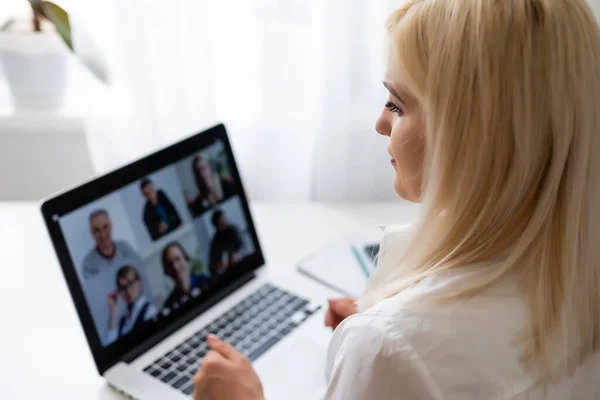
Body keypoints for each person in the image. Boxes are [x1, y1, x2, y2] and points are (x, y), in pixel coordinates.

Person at [192, 1, 600, 399]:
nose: (380, 122)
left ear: (470, 137)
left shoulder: (392, 351)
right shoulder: (582, 273)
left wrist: (381, 351)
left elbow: (414, 356)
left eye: (397, 103)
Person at [81, 209, 142, 280]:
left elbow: (139, 271)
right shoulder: (88, 264)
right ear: (92, 233)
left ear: (111, 227)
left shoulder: (125, 247)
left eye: (105, 227)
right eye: (97, 230)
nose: (102, 235)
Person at [106, 265, 158, 344]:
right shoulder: (123, 321)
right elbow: (110, 346)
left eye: (130, 283)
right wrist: (113, 311)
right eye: (123, 288)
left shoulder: (150, 311)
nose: (128, 290)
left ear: (139, 282)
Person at [161, 242, 210, 309]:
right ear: (166, 271)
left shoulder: (207, 282)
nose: (175, 267)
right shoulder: (170, 305)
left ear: (187, 260)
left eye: (177, 259)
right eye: (169, 264)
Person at [208, 210, 243, 276]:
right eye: (221, 223)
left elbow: (244, 246)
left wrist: (237, 255)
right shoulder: (215, 242)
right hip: (228, 272)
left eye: (224, 220)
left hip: (242, 263)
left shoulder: (233, 230)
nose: (225, 223)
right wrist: (224, 264)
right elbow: (212, 267)